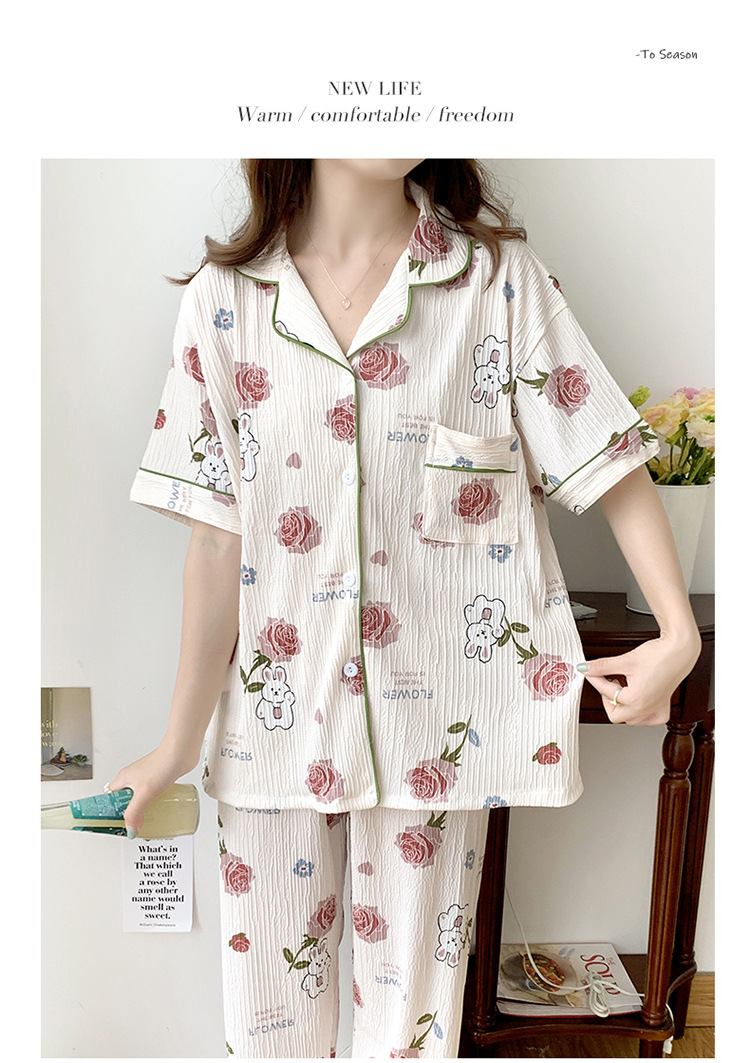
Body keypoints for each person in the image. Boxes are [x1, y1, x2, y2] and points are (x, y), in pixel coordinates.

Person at [109, 159, 703, 1059]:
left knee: (414, 1039)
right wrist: (177, 742)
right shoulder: (224, 303)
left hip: (438, 739)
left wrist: (678, 631)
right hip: (273, 735)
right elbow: (217, 543)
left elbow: (605, 453)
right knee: (269, 1037)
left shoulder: (496, 283)